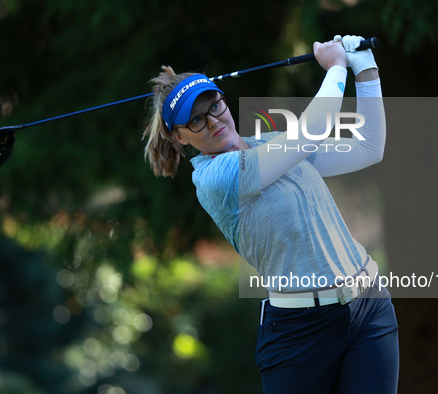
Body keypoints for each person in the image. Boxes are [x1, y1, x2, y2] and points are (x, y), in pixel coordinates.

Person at [143, 35, 399, 394]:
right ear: (180, 137)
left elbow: (369, 148)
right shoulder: (215, 178)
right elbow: (311, 131)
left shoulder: (268, 143)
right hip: (300, 333)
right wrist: (337, 67)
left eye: (213, 106)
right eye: (195, 121)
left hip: (369, 306)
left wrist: (365, 68)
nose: (213, 121)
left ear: (223, 100)